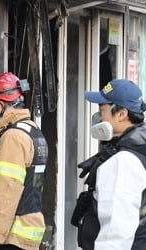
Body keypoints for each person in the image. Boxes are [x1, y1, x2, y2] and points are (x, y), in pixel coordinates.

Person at [0, 72, 49, 250]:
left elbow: (6, 191)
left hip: (11, 237)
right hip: (27, 231)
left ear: (1, 104)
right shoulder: (33, 131)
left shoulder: (13, 137)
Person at [72, 79, 146, 250]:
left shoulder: (123, 162)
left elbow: (117, 229)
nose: (98, 117)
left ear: (121, 114)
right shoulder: (138, 148)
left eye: (102, 110)